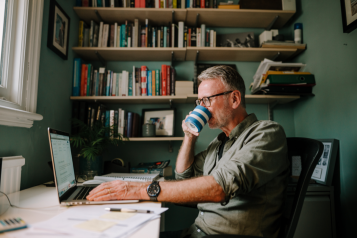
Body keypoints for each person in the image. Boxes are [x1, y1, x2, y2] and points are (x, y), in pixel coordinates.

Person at [87, 65, 290, 238]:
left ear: (234, 99)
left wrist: (140, 190)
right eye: (199, 102)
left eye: (206, 100)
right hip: (196, 232)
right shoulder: (219, 143)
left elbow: (220, 187)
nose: (201, 108)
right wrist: (189, 136)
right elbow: (183, 175)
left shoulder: (266, 133)